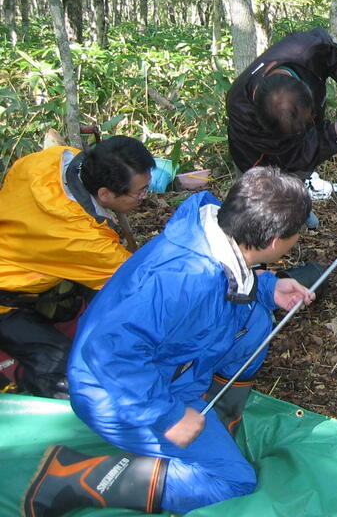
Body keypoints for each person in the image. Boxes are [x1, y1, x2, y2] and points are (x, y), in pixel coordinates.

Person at [22, 167, 316, 516]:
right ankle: (77, 478)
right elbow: (108, 351)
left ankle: (218, 414)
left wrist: (268, 287)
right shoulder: (186, 279)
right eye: (296, 232)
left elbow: (232, 285)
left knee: (254, 316)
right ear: (274, 242)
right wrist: (169, 415)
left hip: (166, 369)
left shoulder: (213, 231)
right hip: (114, 393)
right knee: (233, 481)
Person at [0, 136, 154, 399]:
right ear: (104, 194)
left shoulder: (55, 158)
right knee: (67, 374)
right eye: (139, 192)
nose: (144, 196)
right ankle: (17, 377)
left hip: (22, 254)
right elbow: (144, 283)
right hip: (7, 298)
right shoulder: (83, 241)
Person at [226, 25, 337, 176]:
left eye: (308, 118)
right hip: (258, 162)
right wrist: (336, 131)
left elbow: (336, 58)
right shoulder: (242, 109)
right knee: (274, 193)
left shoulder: (306, 49)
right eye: (299, 128)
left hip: (292, 150)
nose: (308, 126)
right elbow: (293, 156)